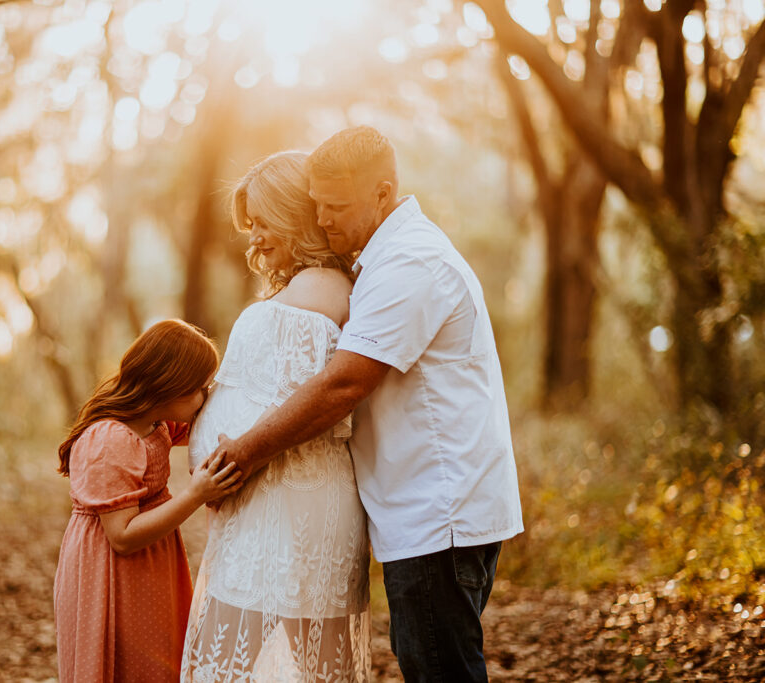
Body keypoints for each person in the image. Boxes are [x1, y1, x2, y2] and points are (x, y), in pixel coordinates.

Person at [212, 127, 525, 682]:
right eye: (318, 207)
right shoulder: (382, 261)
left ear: (383, 193)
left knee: (440, 669)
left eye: (336, 207)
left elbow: (344, 384)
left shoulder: (409, 264)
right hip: (424, 511)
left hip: (438, 510)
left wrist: (245, 452)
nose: (325, 220)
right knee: (431, 661)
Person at [181, 151, 372, 681]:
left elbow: (303, 401)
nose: (255, 238)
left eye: (263, 222)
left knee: (229, 665)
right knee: (312, 665)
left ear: (293, 215)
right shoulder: (323, 289)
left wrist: (233, 458)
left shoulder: (316, 292)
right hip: (285, 496)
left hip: (285, 497)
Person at [53, 319, 243, 683]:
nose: (205, 396)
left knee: (157, 662)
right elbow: (121, 537)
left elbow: (212, 419)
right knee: (125, 663)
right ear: (169, 386)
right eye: (199, 388)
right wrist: (196, 494)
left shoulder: (157, 423)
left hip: (152, 560)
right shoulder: (111, 439)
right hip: (111, 571)